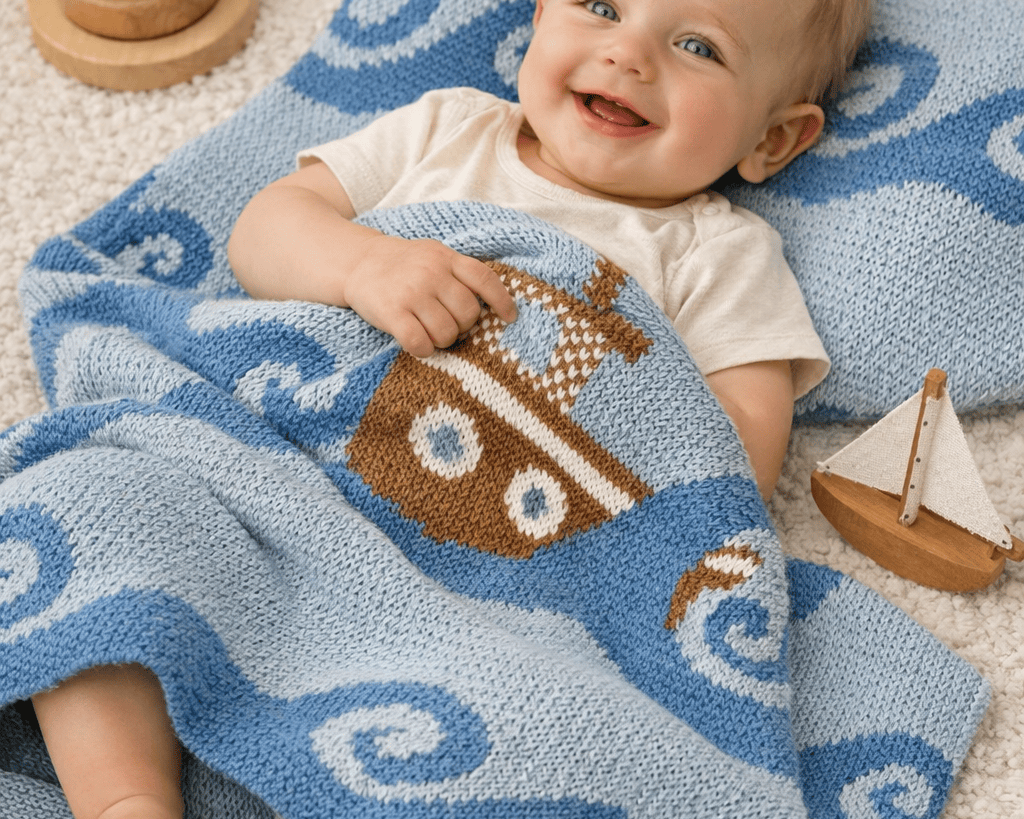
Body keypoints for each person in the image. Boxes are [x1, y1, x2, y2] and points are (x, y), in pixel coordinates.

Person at [31, 0, 872, 817]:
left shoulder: (721, 254)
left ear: (772, 138)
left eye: (698, 46)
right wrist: (363, 266)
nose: (629, 54)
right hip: (290, 483)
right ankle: (126, 797)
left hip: (494, 587)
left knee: (550, 715)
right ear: (540, 17)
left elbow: (732, 469)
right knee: (95, 506)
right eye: (600, 7)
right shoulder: (448, 128)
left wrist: (628, 410)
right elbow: (267, 229)